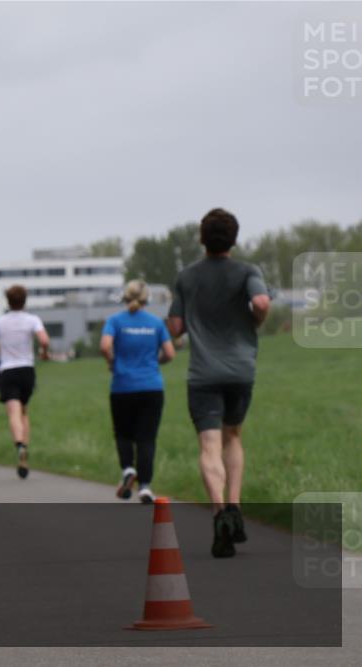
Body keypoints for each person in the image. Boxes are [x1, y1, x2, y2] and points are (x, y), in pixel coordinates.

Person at [168, 208, 270, 558]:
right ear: (234, 238)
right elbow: (260, 301)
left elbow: (176, 327)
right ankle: (235, 507)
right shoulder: (248, 271)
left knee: (208, 444)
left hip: (203, 374)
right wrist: (255, 319)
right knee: (233, 436)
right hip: (241, 369)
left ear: (201, 238)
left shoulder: (187, 277)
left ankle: (219, 514)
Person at [100, 280, 175, 504]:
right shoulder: (156, 323)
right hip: (152, 386)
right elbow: (170, 353)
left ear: (125, 297)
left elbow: (105, 346)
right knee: (147, 438)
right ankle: (145, 487)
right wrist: (155, 361)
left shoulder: (114, 321)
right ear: (147, 299)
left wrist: (113, 362)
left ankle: (128, 470)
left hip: (122, 386)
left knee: (123, 434)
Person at [0, 285, 50, 479]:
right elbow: (44, 340)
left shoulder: (0, 322)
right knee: (24, 410)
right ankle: (25, 448)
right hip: (27, 369)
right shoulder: (32, 320)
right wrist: (43, 353)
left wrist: (1, 349)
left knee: (13, 411)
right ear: (24, 300)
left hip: (7, 370)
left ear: (8, 301)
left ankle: (19, 444)